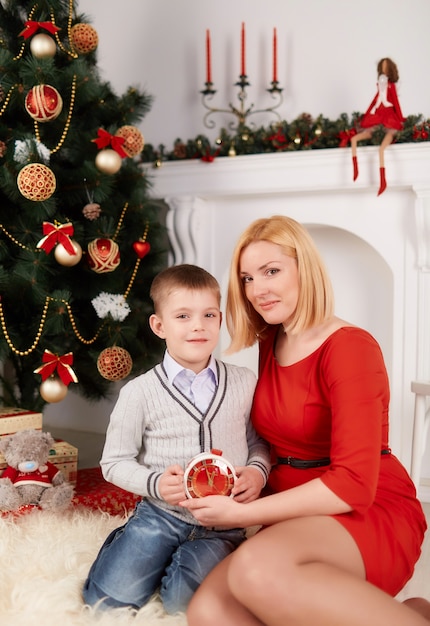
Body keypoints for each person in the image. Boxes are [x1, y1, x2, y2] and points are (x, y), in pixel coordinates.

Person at [181, 216, 430, 626]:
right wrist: (254, 476)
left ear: (305, 269)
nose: (257, 290)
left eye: (271, 271)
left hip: (365, 507)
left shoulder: (350, 348)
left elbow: (353, 484)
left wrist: (240, 516)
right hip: (294, 506)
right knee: (209, 612)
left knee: (255, 572)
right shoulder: (271, 338)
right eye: (246, 278)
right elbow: (277, 437)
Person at [82, 264, 271, 614]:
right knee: (107, 602)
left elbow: (259, 441)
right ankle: (130, 545)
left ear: (219, 320)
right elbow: (113, 462)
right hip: (161, 514)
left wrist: (258, 471)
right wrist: (154, 483)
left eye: (208, 315)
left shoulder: (245, 382)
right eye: (183, 315)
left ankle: (185, 561)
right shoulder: (139, 392)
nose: (197, 325)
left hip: (223, 522)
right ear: (159, 325)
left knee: (185, 605)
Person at [350, 57, 405, 196]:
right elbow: (374, 101)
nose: (384, 70)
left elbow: (396, 103)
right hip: (378, 116)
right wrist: (366, 116)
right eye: (382, 67)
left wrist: (400, 119)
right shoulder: (380, 85)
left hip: (389, 117)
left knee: (381, 149)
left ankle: (382, 181)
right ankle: (356, 170)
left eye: (386, 68)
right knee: (354, 139)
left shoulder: (391, 86)